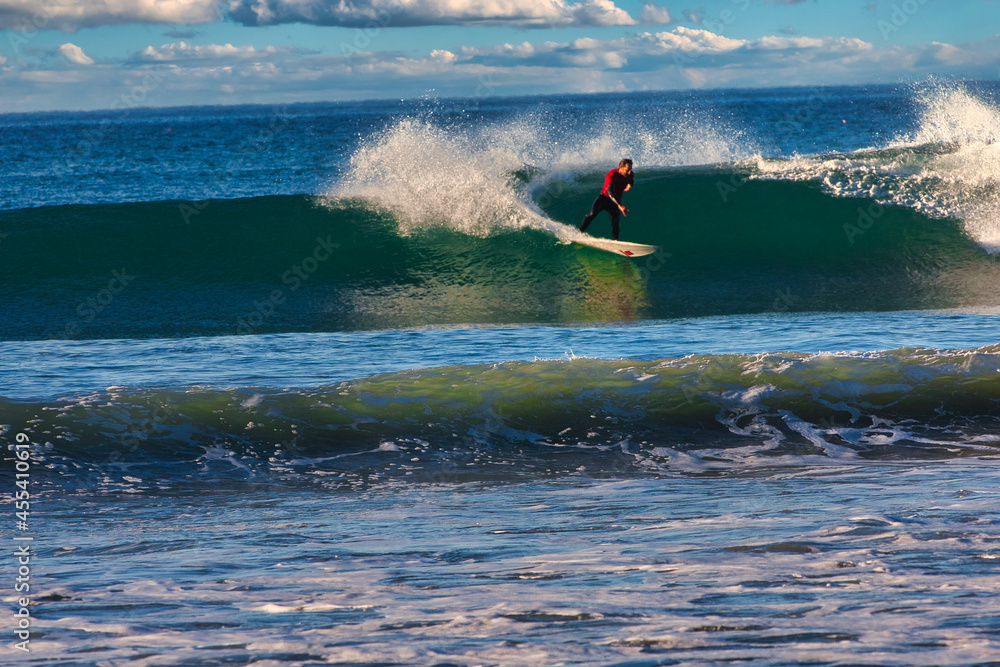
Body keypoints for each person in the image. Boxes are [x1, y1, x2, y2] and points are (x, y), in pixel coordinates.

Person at [579, 158, 634, 241]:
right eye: (627, 170)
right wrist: (620, 205)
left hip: (615, 202)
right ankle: (579, 233)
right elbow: (610, 191)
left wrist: (630, 185)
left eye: (630, 169)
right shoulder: (612, 174)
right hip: (604, 198)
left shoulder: (630, 174)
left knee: (615, 222)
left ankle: (616, 241)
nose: (629, 172)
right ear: (620, 167)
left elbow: (631, 180)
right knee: (592, 214)